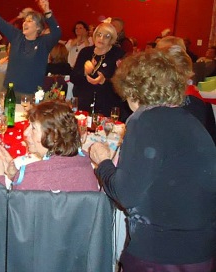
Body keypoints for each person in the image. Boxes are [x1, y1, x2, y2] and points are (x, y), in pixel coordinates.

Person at [90, 49, 216, 271]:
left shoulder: (145, 121)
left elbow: (125, 194)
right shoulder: (190, 120)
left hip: (162, 252)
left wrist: (103, 163)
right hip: (200, 249)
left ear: (133, 88)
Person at [0, 100, 98, 191]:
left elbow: (9, 212)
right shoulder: (88, 167)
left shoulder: (32, 177)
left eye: (33, 128)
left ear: (54, 136)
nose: (26, 133)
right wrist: (13, 174)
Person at [0, 0, 61, 99]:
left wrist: (47, 11)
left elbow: (56, 33)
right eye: (25, 20)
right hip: (9, 91)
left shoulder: (43, 43)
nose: (24, 23)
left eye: (30, 21)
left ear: (38, 27)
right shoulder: (16, 36)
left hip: (31, 95)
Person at [71, 22, 124, 117]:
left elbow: (122, 84)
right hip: (85, 103)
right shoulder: (86, 52)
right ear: (94, 35)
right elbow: (73, 78)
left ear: (112, 39)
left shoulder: (118, 54)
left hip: (108, 105)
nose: (101, 38)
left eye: (107, 36)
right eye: (99, 34)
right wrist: (84, 72)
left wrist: (105, 81)